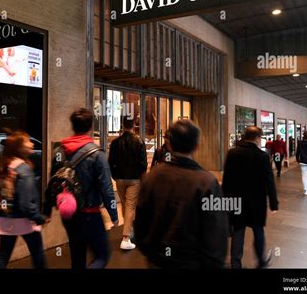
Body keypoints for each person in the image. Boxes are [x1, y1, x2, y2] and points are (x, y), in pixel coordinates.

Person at [135, 120, 229, 268]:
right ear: (197, 146)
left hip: (157, 261)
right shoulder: (207, 182)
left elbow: (140, 222)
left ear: (169, 144)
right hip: (193, 263)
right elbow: (216, 231)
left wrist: (150, 252)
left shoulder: (152, 177)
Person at [43, 108, 119, 269]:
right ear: (91, 127)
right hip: (90, 214)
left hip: (68, 214)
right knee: (102, 256)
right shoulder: (97, 154)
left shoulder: (60, 150)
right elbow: (106, 187)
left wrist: (47, 210)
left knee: (77, 257)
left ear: (73, 126)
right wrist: (114, 215)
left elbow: (52, 181)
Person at [222, 126, 278, 269]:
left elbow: (227, 179)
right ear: (257, 138)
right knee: (258, 230)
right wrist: (273, 203)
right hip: (256, 202)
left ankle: (236, 263)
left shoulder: (232, 153)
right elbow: (269, 181)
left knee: (238, 232)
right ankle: (261, 261)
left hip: (236, 202)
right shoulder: (263, 156)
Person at [0, 131, 47, 268]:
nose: (32, 143)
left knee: (3, 255)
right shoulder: (24, 169)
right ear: (20, 148)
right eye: (28, 141)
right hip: (24, 220)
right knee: (37, 254)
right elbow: (26, 203)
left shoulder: (7, 165)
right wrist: (38, 217)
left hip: (5, 217)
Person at [108, 115, 147, 250]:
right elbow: (143, 164)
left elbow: (110, 162)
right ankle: (125, 238)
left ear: (122, 124)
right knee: (130, 206)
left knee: (125, 205)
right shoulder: (139, 141)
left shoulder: (115, 143)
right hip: (134, 179)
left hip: (119, 179)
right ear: (134, 124)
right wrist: (142, 177)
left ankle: (128, 231)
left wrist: (115, 176)